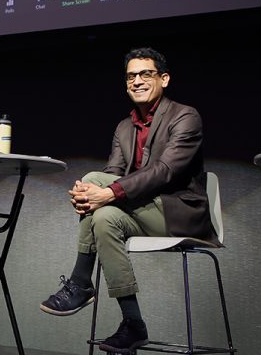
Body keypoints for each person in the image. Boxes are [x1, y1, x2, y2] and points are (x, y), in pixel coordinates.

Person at [40, 48, 217, 354]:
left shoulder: (185, 116)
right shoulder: (124, 127)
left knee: (96, 182)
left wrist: (103, 191)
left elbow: (165, 171)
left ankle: (81, 282)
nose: (137, 81)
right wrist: (89, 197)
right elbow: (113, 173)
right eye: (131, 76)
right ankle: (133, 323)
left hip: (177, 212)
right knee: (103, 218)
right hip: (141, 210)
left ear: (164, 78)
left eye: (145, 74)